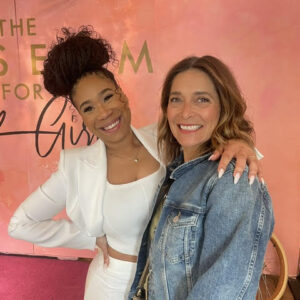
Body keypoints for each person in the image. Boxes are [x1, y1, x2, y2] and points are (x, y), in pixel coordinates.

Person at [8, 27, 262, 300]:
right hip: (111, 283)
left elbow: (212, 142)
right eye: (89, 108)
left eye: (107, 97)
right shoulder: (76, 165)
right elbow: (20, 224)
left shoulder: (165, 137)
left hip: (168, 279)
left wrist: (242, 144)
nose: (104, 113)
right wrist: (88, 237)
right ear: (82, 117)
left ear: (122, 95)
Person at [129, 56, 274, 300]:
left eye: (202, 99)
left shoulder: (233, 181)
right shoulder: (178, 172)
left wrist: (242, 141)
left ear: (223, 107)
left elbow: (222, 292)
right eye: (176, 99)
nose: (186, 112)